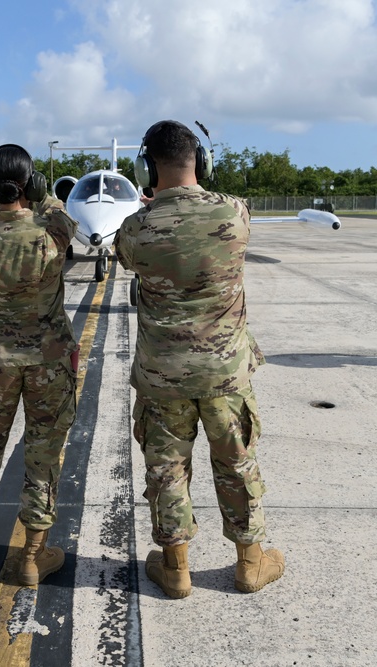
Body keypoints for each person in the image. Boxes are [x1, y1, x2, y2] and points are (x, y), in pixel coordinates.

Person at [114, 120, 284, 598]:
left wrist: (152, 211)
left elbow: (126, 253)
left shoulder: (137, 229)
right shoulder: (235, 213)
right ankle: (249, 565)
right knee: (237, 465)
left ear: (147, 167)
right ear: (202, 162)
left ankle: (177, 570)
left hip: (161, 377)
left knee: (166, 470)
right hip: (225, 375)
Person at [0, 144, 79, 586]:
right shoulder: (53, 233)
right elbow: (61, 214)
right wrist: (45, 194)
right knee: (43, 459)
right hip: (48, 365)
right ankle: (31, 558)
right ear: (34, 186)